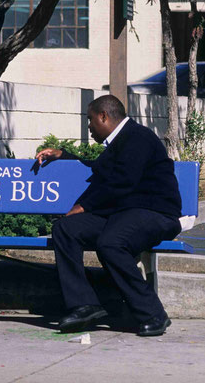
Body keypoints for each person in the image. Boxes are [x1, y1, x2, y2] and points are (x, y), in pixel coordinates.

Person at [35, 94, 182, 337]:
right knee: (66, 229)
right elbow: (99, 169)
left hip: (155, 212)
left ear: (104, 116)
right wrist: (64, 155)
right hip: (124, 213)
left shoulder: (138, 137)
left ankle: (153, 313)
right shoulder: (119, 142)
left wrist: (83, 206)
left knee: (111, 243)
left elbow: (122, 181)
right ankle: (84, 305)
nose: (89, 127)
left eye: (90, 120)